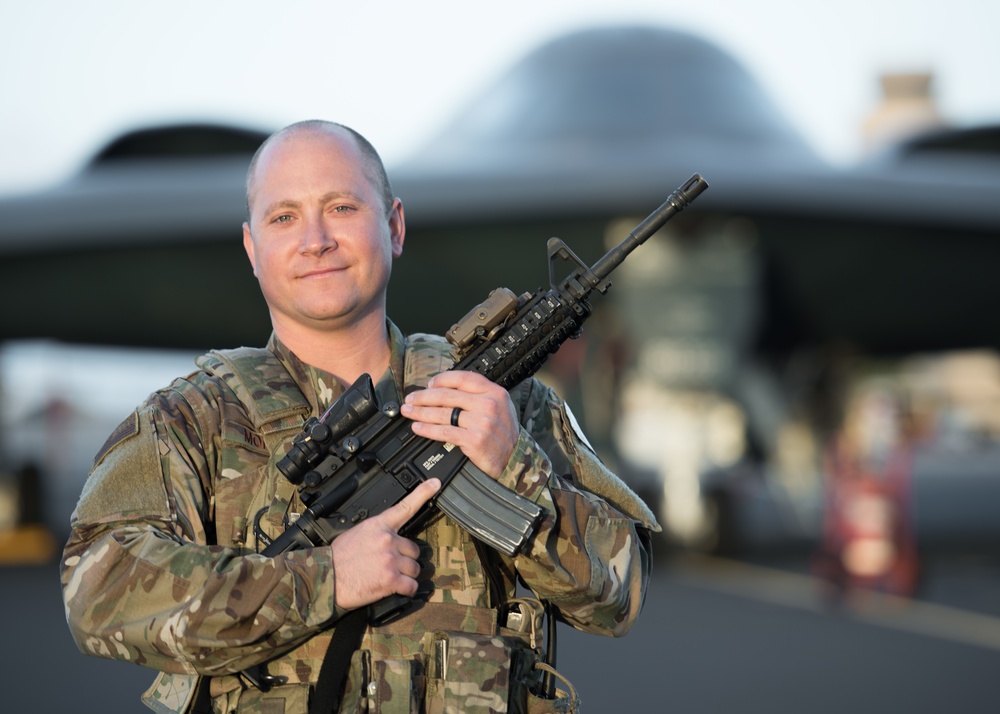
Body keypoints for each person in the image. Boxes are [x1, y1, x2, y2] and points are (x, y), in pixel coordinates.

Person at [61, 120, 659, 713]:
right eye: (284, 217)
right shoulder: (195, 420)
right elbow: (96, 590)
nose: (315, 239)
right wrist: (325, 579)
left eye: (342, 207)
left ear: (394, 225)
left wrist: (517, 469)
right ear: (252, 248)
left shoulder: (504, 404)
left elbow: (620, 598)